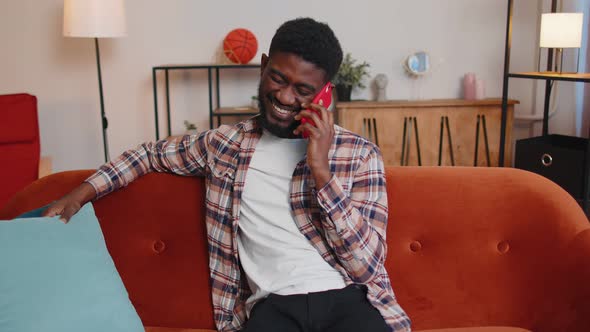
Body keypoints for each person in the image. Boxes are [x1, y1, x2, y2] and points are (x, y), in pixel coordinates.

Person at [44, 17, 411, 332]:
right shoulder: (225, 145)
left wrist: (321, 172)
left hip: (344, 298)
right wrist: (78, 194)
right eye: (278, 79)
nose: (284, 97)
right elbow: (147, 154)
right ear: (264, 65)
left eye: (302, 90)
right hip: (274, 307)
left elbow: (368, 265)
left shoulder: (360, 154)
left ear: (324, 93)